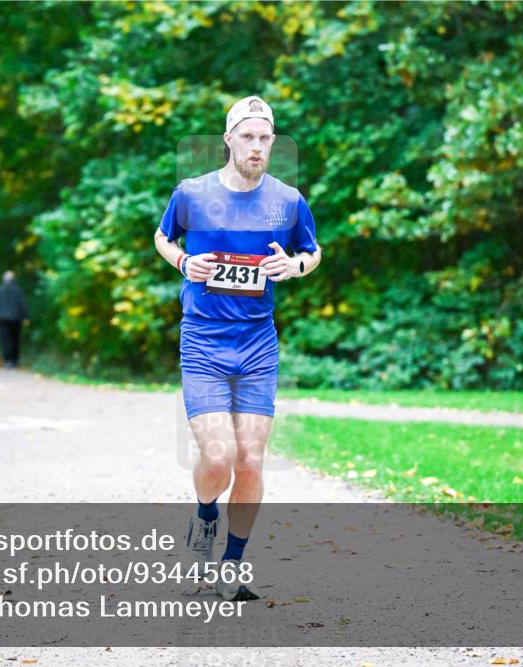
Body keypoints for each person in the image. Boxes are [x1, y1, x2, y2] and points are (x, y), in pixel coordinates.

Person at [154, 96, 322, 601]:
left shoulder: (288, 200)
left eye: (264, 138)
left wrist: (294, 266)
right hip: (203, 339)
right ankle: (205, 516)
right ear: (228, 139)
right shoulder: (192, 193)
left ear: (273, 142)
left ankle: (231, 565)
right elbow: (163, 238)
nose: (256, 146)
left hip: (257, 344)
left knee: (250, 459)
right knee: (219, 455)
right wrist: (184, 262)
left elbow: (312, 252)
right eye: (246, 136)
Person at [0, 270, 29, 368]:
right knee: (15, 339)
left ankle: (7, 361)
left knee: (5, 340)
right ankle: (15, 360)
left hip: (2, 319)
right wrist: (25, 317)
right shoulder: (19, 289)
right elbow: (23, 304)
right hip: (16, 319)